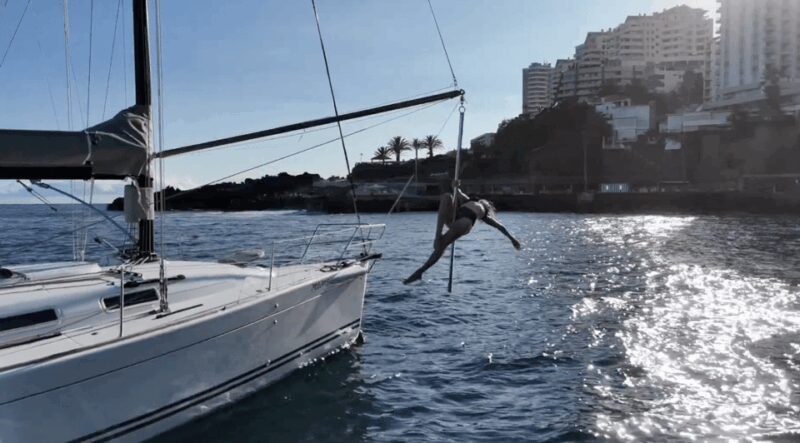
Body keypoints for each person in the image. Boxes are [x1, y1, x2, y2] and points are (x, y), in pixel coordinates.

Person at [403, 185, 521, 284]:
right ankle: (437, 237)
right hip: (454, 219)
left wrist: (512, 239)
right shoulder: (470, 200)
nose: (484, 202)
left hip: (464, 223)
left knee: (441, 246)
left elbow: (500, 226)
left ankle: (420, 271)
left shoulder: (485, 215)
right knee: (447, 196)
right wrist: (456, 184)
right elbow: (457, 191)